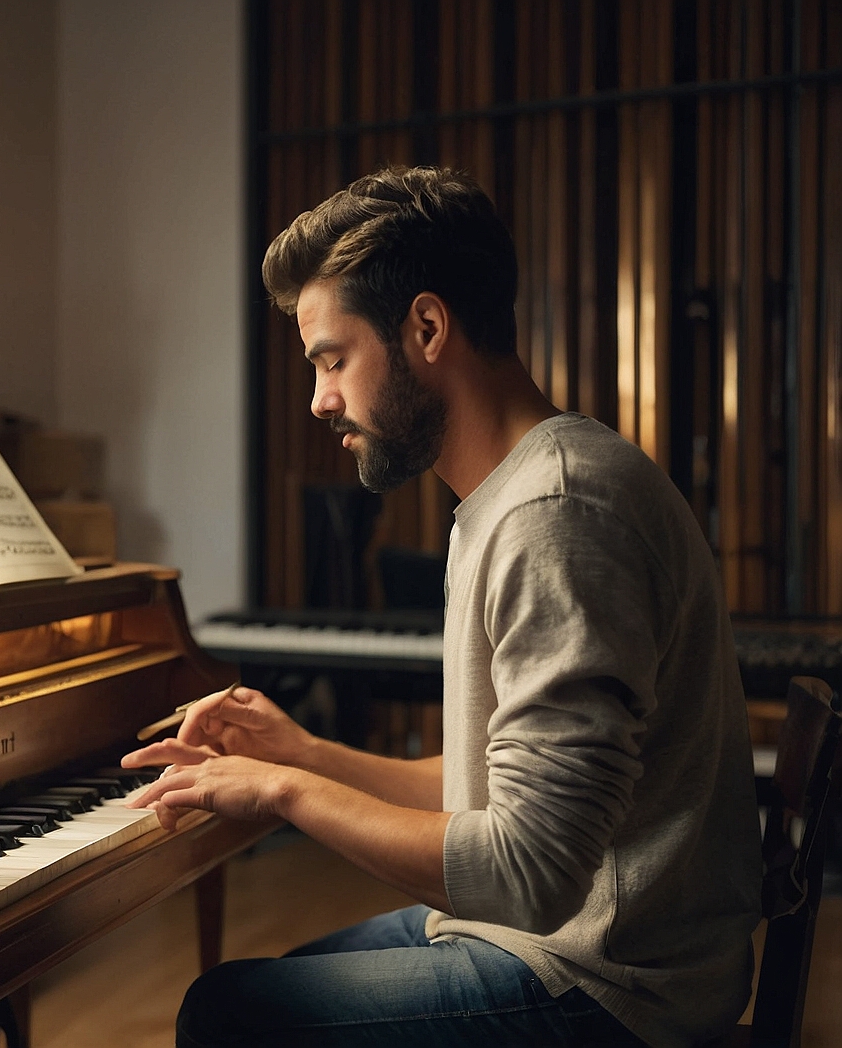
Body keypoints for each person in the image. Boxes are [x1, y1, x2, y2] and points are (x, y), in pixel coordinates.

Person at [122, 166, 761, 1048]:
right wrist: (306, 753)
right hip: (567, 947)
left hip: (612, 989)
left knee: (229, 1015)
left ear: (427, 328)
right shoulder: (511, 495)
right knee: (271, 986)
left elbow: (532, 873)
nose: (320, 399)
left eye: (333, 360)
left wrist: (284, 790)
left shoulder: (557, 513)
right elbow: (495, 792)